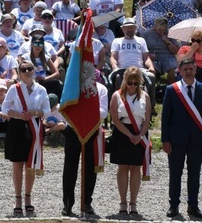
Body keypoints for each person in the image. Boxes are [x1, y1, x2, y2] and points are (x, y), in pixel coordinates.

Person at [2, 59, 50, 216]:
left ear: (34, 70)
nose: (27, 71)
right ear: (19, 72)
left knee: (31, 164)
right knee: (17, 165)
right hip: (17, 127)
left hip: (34, 128)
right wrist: (19, 115)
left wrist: (35, 113)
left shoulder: (41, 89)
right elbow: (5, 108)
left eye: (30, 68)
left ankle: (28, 197)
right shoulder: (14, 89)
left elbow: (47, 111)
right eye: (24, 69)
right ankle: (17, 199)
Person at [162, 57, 202, 218]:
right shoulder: (172, 90)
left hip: (197, 140)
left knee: (194, 174)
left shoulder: (201, 88)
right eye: (185, 69)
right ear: (179, 70)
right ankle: (174, 205)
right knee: (175, 173)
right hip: (176, 140)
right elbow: (166, 117)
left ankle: (193, 205)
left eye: (191, 69)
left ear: (195, 69)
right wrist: (165, 139)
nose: (188, 71)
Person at [61, 80, 109, 216]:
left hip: (91, 129)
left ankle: (87, 202)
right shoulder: (71, 85)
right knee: (70, 167)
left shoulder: (101, 89)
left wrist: (87, 108)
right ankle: (68, 203)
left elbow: (103, 112)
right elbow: (65, 107)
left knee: (90, 167)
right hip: (73, 128)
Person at [109, 66, 152, 217]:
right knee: (123, 168)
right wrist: (129, 134)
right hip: (122, 133)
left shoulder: (145, 96)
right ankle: (122, 202)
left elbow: (147, 119)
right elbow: (114, 118)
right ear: (124, 81)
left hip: (139, 133)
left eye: (135, 82)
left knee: (135, 168)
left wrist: (140, 135)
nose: (132, 85)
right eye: (130, 82)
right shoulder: (116, 95)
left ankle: (133, 202)